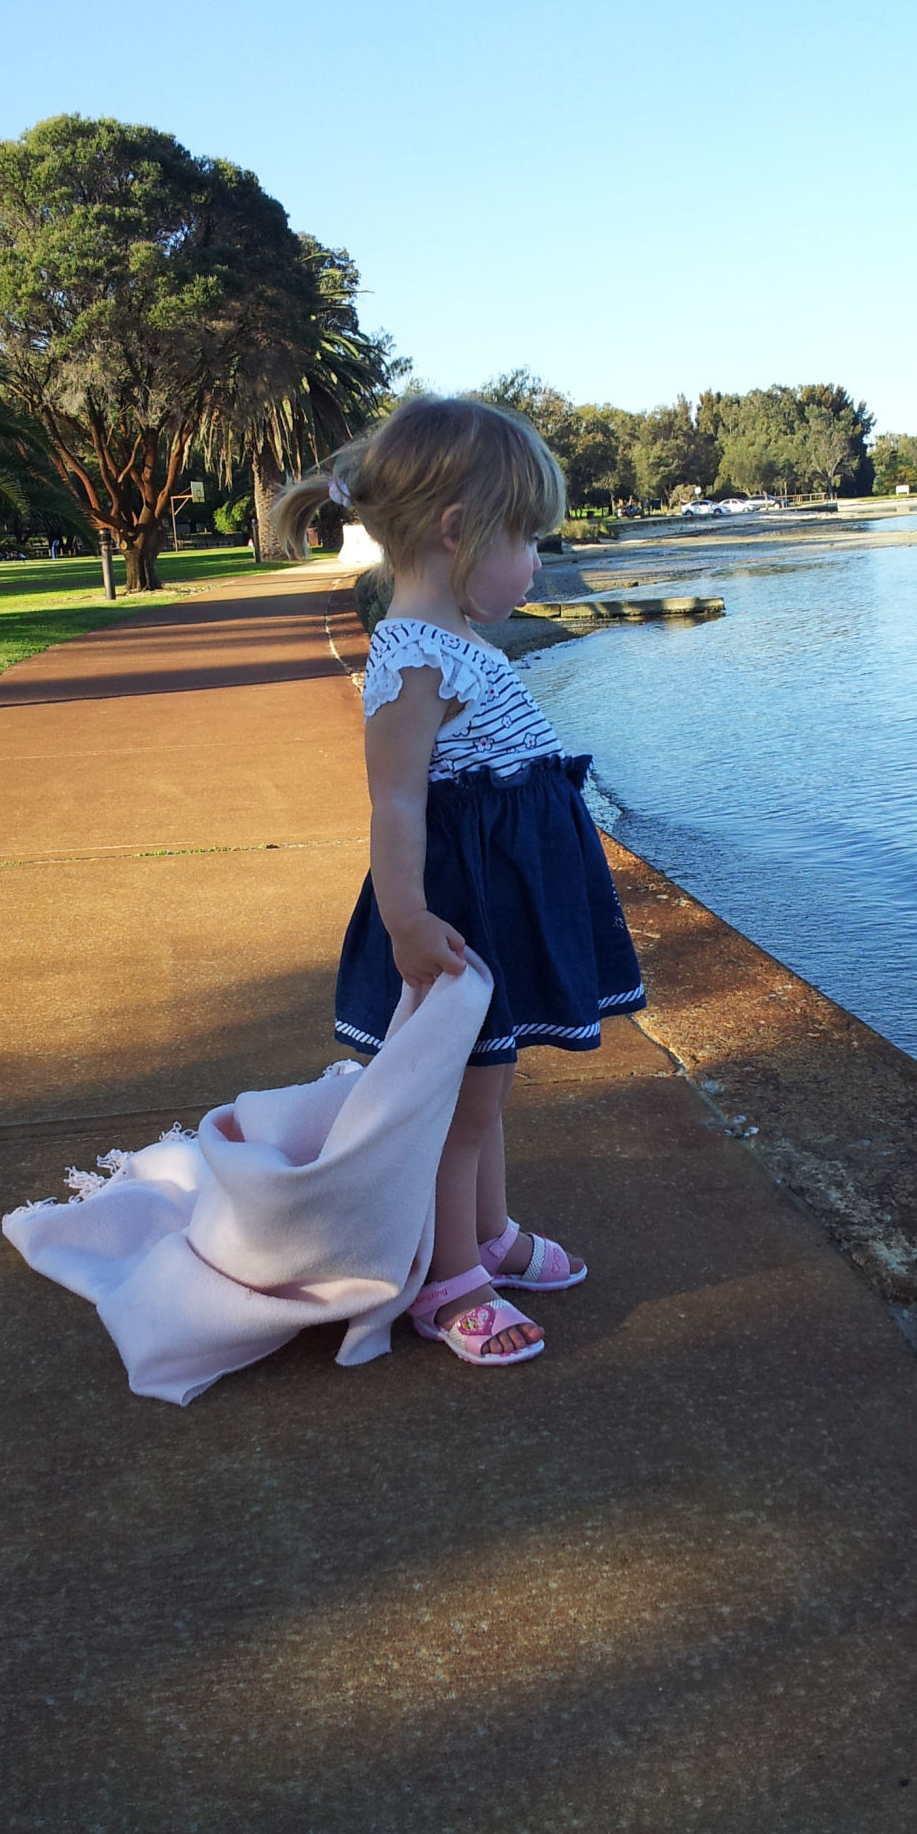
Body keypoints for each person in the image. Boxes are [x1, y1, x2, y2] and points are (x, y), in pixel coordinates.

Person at [273, 398, 646, 1367]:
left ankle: (487, 1234)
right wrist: (407, 921)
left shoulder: (457, 645)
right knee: (459, 1103)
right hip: (460, 917)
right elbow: (396, 805)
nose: (536, 564)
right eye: (527, 538)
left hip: (498, 906)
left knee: (492, 1083)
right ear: (457, 531)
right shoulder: (410, 660)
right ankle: (447, 1280)